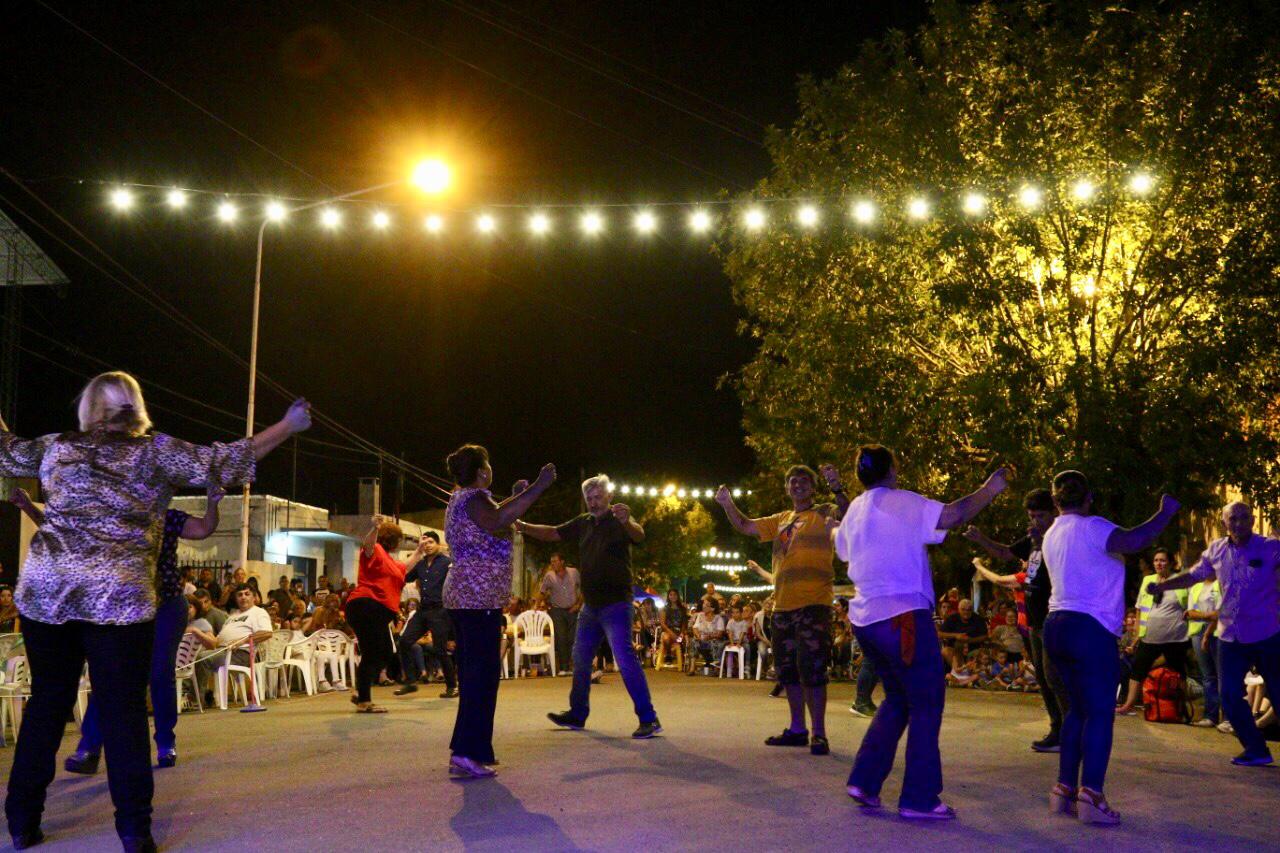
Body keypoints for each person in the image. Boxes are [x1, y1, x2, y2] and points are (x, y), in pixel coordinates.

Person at [0, 371, 309, 852]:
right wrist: (285, 426)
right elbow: (222, 462)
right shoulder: (153, 450)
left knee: (47, 703)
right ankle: (134, 831)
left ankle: (21, 822)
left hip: (48, 590)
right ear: (135, 407)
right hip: (118, 597)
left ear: (90, 408)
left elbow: (6, 449)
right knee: (123, 711)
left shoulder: (58, 445)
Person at [834, 444, 1009, 820]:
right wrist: (991, 487)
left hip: (866, 617)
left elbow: (844, 552)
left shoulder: (855, 511)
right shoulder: (903, 501)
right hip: (903, 615)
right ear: (892, 469)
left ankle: (864, 780)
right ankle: (919, 798)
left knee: (898, 698)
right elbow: (953, 514)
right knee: (927, 702)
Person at [1040, 470, 1179, 825]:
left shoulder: (1051, 533)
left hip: (1055, 626)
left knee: (1075, 712)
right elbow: (1134, 540)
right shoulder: (1093, 527)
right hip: (1089, 628)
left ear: (1056, 502)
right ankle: (1092, 796)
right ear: (1089, 499)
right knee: (1100, 713)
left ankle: (1063, 790)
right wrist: (1164, 512)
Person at [58, 484, 224, 774]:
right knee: (109, 675)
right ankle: (89, 748)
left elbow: (203, 529)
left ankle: (165, 743)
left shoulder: (167, 517)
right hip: (128, 607)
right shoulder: (115, 520)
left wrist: (212, 503)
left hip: (167, 605)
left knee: (160, 673)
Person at [443, 444, 555, 778]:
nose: (491, 468)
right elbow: (498, 518)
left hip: (467, 598)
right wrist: (539, 486)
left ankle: (466, 749)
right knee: (481, 678)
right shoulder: (475, 498)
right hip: (476, 600)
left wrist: (514, 496)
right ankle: (468, 752)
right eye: (488, 464)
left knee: (476, 676)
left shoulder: (463, 499)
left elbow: (498, 513)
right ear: (481, 472)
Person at [717, 463, 845, 756]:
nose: (797, 485)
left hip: (814, 604)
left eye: (803, 481)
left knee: (812, 670)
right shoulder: (781, 520)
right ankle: (798, 729)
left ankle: (820, 734)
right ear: (787, 488)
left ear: (812, 488)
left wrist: (837, 487)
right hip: (783, 606)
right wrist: (727, 504)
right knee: (787, 670)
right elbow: (745, 525)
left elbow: (852, 516)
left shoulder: (826, 512)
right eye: (792, 481)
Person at [521, 474, 662, 739]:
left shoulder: (620, 519)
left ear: (609, 496)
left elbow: (639, 535)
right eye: (590, 499)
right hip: (591, 606)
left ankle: (649, 718)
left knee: (625, 659)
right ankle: (577, 713)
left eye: (598, 497)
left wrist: (627, 520)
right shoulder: (583, 523)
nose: (594, 502)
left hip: (617, 604)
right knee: (581, 658)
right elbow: (553, 532)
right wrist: (522, 526)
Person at [1148, 502, 1280, 767]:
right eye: (1234, 519)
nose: (1239, 523)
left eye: (1245, 518)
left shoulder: (1270, 547)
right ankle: (1256, 749)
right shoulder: (1217, 550)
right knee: (1229, 696)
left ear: (1253, 520)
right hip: (1231, 635)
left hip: (1267, 633)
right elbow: (1193, 576)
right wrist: (1164, 584)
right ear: (1225, 522)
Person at [965, 487, 1066, 751]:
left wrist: (1044, 538)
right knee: (1044, 678)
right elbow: (1004, 553)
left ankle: (1069, 731)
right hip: (1034, 621)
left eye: (1041, 515)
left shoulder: (1060, 538)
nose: (1035, 521)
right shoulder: (1033, 539)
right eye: (1031, 516)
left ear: (1055, 512)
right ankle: (1058, 730)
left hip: (1053, 619)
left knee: (1056, 678)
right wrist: (981, 539)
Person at [346, 516, 430, 713]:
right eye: (398, 540)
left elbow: (406, 567)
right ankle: (364, 700)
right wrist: (374, 528)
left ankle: (362, 692)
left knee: (383, 652)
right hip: (366, 606)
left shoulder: (390, 562)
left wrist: (418, 551)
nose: (399, 543)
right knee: (373, 653)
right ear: (391, 539)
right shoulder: (376, 551)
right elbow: (368, 544)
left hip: (375, 612)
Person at [1116, 547, 1191, 715]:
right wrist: (1136, 636)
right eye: (1156, 560)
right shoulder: (1148, 580)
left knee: (1178, 671)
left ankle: (1181, 707)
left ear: (1171, 563)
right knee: (1137, 669)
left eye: (1163, 560)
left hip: (1175, 637)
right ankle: (1128, 704)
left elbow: (1189, 607)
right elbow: (1140, 609)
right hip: (1150, 636)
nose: (1159, 563)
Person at [394, 531, 456, 698]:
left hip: (440, 611)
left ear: (438, 544)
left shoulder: (447, 563)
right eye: (425, 542)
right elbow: (404, 577)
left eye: (431, 542)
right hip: (423, 610)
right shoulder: (420, 564)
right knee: (404, 641)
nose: (427, 545)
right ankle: (411, 682)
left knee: (439, 649)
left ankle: (452, 687)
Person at [1185, 574, 1222, 726]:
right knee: (1207, 676)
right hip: (1198, 633)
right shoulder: (1195, 587)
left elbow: (1221, 612)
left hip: (1218, 633)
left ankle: (1227, 718)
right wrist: (1208, 615)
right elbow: (1189, 613)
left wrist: (1202, 615)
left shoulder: (1222, 583)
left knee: (1222, 675)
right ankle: (1210, 716)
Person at [539, 553, 582, 675]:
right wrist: (536, 605)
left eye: (555, 561)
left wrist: (578, 604)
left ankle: (573, 665)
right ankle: (564, 667)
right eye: (551, 562)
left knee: (572, 638)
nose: (553, 564)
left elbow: (583, 588)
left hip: (572, 609)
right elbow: (542, 591)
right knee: (561, 637)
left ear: (562, 561)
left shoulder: (573, 572)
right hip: (557, 610)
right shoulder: (549, 575)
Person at [937, 599, 987, 672]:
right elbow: (939, 633)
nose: (966, 612)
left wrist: (970, 640)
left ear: (972, 610)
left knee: (982, 654)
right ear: (959, 609)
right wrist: (956, 635)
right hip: (956, 650)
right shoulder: (952, 618)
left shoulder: (978, 619)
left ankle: (971, 673)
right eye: (963, 609)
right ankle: (960, 673)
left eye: (969, 610)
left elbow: (985, 636)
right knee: (945, 651)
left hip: (974, 649)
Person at [689, 599, 727, 671]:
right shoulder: (700, 616)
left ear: (712, 608)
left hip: (713, 640)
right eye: (704, 604)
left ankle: (716, 668)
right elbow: (695, 628)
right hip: (702, 639)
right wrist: (698, 636)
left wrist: (709, 636)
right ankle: (692, 668)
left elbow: (719, 634)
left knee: (715, 643)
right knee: (694, 641)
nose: (703, 606)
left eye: (706, 605)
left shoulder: (718, 618)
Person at [659, 589, 688, 665]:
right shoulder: (664, 609)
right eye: (671, 595)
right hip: (667, 631)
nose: (673, 596)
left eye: (675, 594)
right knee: (666, 638)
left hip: (679, 631)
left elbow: (684, 623)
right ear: (668, 596)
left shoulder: (683, 609)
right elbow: (662, 624)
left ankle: (682, 658)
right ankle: (668, 655)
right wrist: (672, 634)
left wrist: (682, 633)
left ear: (678, 596)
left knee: (683, 640)